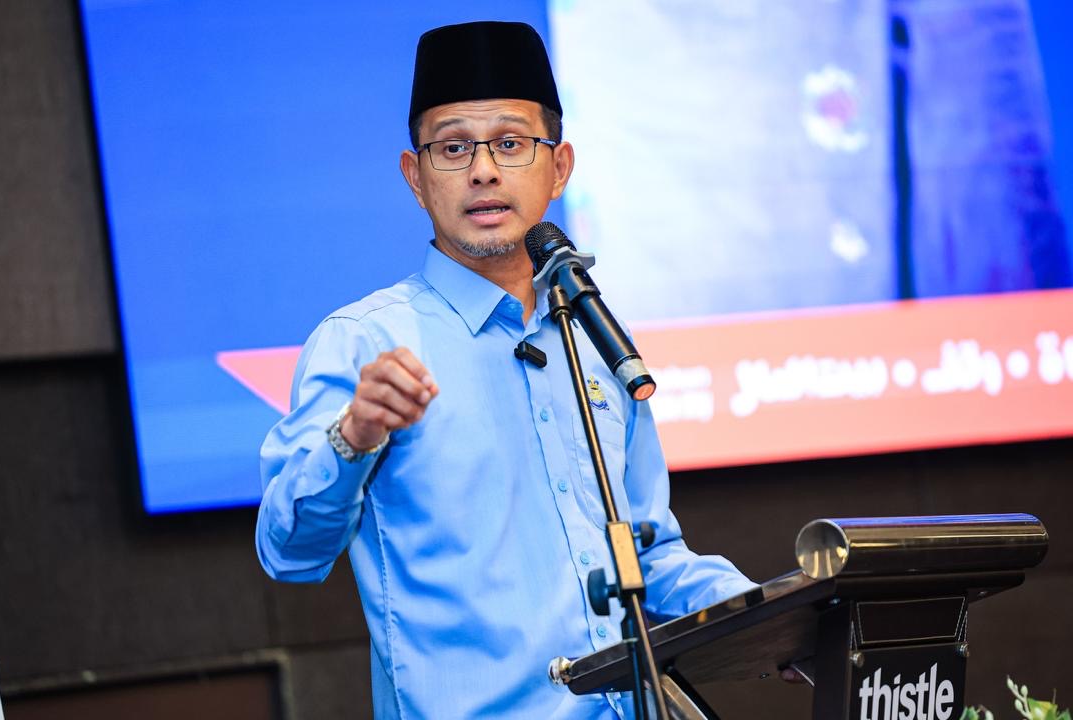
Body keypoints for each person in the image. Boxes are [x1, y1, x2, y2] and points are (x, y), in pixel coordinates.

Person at [256, 21, 755, 719]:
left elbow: (650, 556)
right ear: (415, 177)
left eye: (512, 143)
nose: (484, 171)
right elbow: (288, 552)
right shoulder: (364, 341)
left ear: (560, 167)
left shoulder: (594, 335)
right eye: (453, 147)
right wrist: (354, 435)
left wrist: (777, 614)